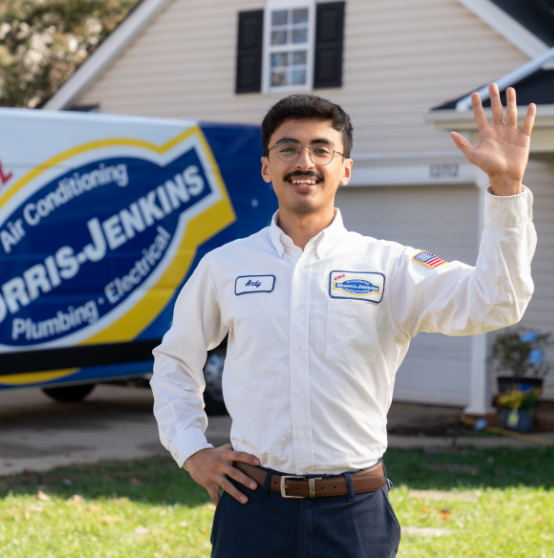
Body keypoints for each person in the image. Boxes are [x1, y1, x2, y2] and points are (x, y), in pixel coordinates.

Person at [151, 85, 537, 558]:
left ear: (345, 169)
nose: (304, 162)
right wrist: (191, 449)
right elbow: (175, 360)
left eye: (321, 149)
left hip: (354, 516)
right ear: (266, 167)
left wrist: (506, 189)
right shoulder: (224, 265)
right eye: (287, 148)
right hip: (252, 509)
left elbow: (497, 302)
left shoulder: (391, 266)